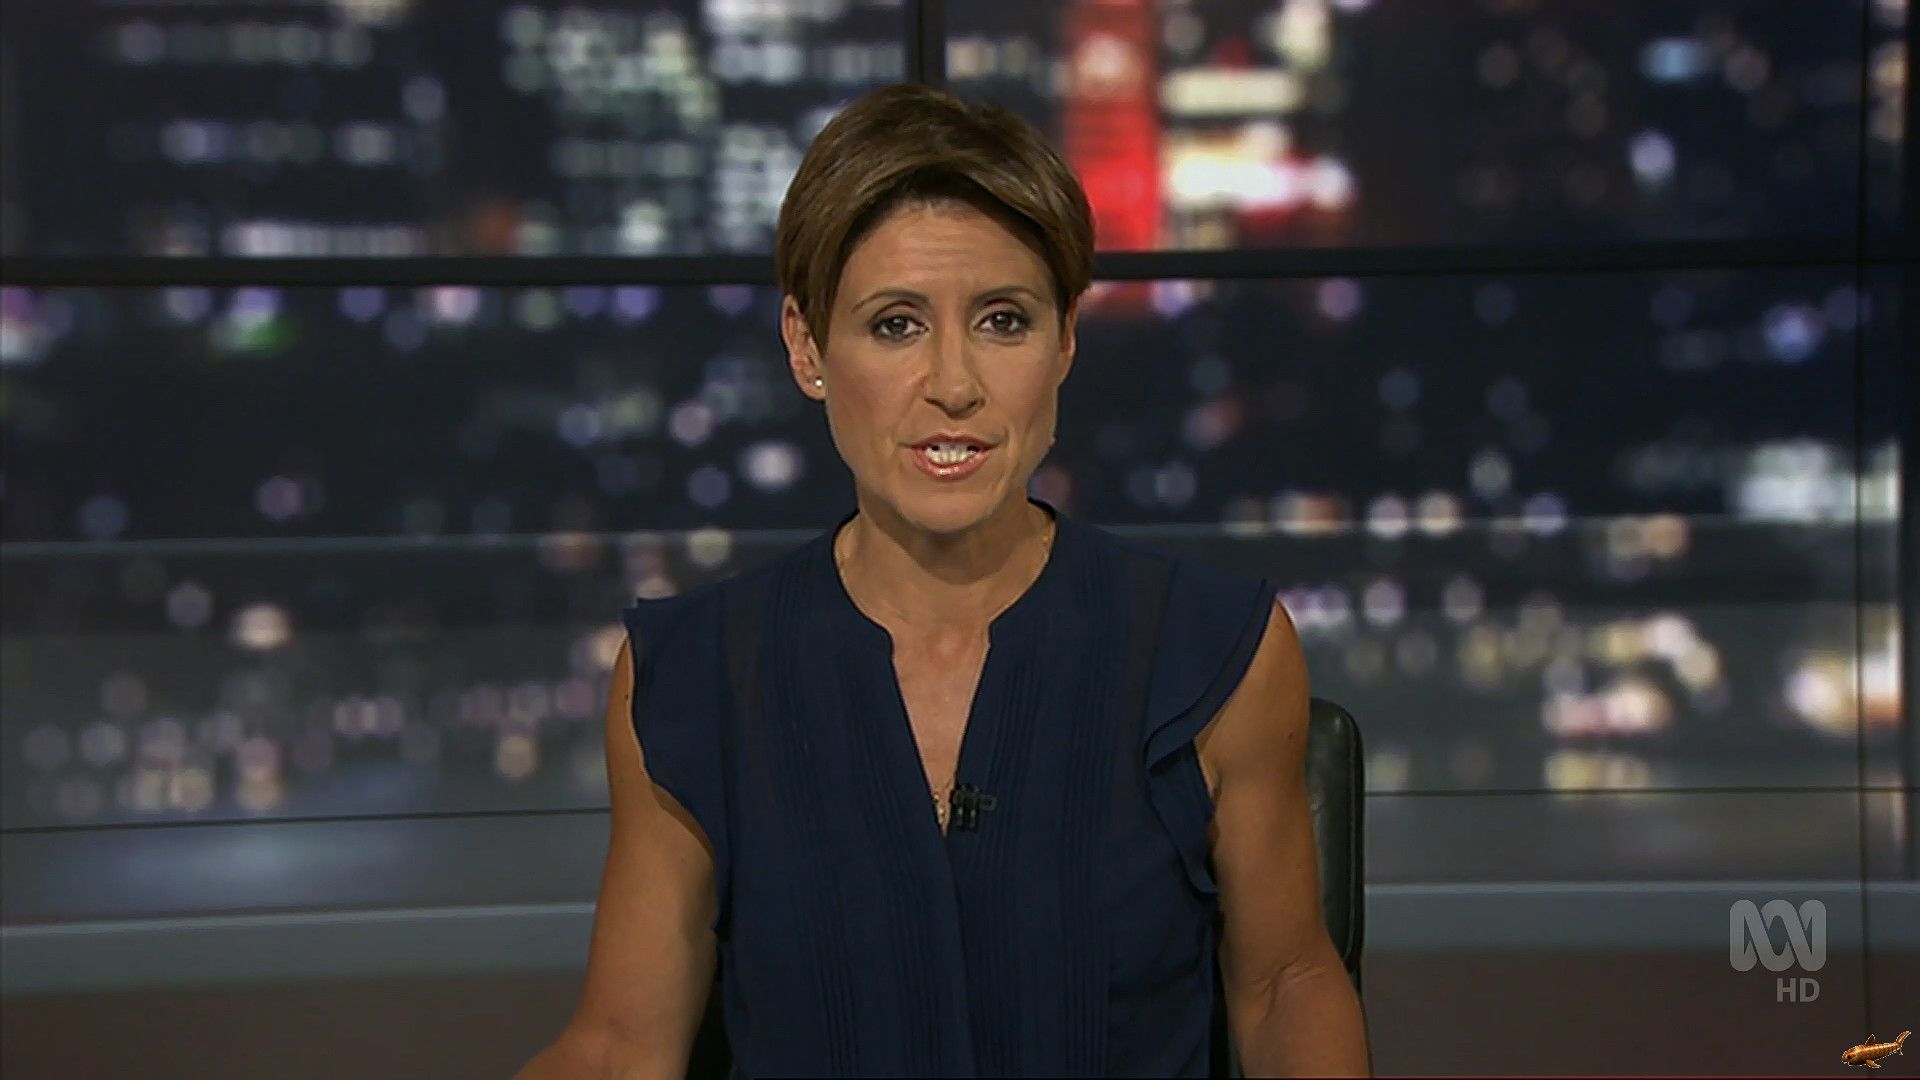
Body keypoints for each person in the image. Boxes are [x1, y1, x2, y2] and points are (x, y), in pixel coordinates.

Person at [518, 82, 1371, 1079]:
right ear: (807, 348)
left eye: (1004, 321)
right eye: (896, 326)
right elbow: (621, 1044)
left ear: (1065, 340)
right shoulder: (692, 677)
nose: (955, 386)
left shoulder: (1216, 650)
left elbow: (1284, 986)